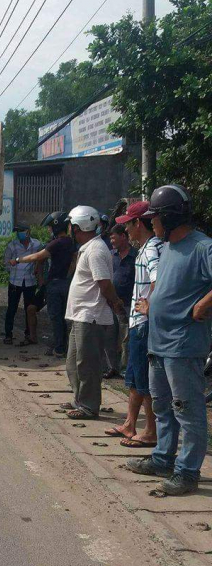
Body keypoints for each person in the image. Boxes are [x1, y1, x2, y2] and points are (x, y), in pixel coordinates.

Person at [127, 185, 212, 495]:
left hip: (183, 345)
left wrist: (203, 305)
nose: (152, 223)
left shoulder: (202, 247)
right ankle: (163, 458)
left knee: (187, 410)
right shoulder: (169, 247)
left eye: (155, 218)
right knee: (163, 406)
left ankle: (187, 472)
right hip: (159, 343)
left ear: (170, 217)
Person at [104, 202, 163, 447]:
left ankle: (150, 431)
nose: (126, 230)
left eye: (127, 224)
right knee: (134, 376)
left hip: (145, 323)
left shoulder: (152, 249)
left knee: (144, 378)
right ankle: (130, 424)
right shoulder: (148, 247)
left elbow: (158, 280)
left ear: (138, 223)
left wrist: (150, 306)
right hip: (138, 322)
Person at [63, 205, 124, 420]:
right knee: (73, 363)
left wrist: (115, 302)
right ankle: (79, 399)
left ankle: (89, 406)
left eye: (70, 225)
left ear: (77, 227)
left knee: (87, 364)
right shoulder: (87, 248)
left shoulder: (96, 250)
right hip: (80, 315)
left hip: (91, 316)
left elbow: (104, 283)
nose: (68, 229)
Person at [11, 211, 73, 357]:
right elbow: (74, 260)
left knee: (55, 317)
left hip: (54, 285)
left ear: (57, 226)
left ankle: (59, 349)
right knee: (61, 317)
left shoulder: (57, 243)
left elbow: (37, 256)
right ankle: (62, 346)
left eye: (50, 226)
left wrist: (18, 260)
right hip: (65, 283)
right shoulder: (71, 242)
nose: (49, 229)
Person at [103, 224, 137, 377]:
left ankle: (124, 369)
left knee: (125, 338)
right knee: (109, 337)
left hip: (128, 304)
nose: (111, 241)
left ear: (123, 236)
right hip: (110, 303)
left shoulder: (135, 256)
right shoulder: (110, 255)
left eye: (113, 237)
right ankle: (112, 367)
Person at [3, 223, 42, 345]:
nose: (19, 234)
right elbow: (6, 263)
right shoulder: (12, 245)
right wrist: (14, 271)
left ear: (28, 232)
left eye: (21, 231)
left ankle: (28, 334)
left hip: (30, 282)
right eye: (17, 232)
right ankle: (8, 334)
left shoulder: (37, 244)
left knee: (29, 309)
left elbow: (41, 259)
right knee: (11, 309)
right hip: (15, 282)